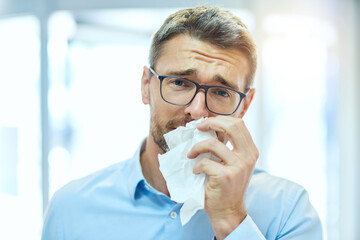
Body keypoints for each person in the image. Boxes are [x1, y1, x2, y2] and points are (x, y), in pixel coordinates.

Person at [42, 6, 322, 240]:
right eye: (179, 83)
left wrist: (231, 219)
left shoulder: (287, 209)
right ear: (145, 86)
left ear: (244, 106)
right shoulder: (71, 209)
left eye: (222, 92)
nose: (197, 110)